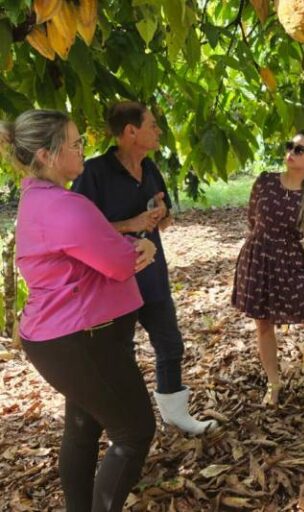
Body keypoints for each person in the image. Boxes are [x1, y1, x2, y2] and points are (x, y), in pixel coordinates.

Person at [2, 109, 157, 511]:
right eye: (74, 144)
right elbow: (118, 262)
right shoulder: (65, 206)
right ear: (46, 156)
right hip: (81, 338)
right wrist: (142, 247)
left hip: (66, 337)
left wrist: (126, 248)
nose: (82, 150)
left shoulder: (39, 198)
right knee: (134, 430)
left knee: (83, 427)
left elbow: (92, 252)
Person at [72, 102, 217, 435]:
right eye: (152, 125)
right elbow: (80, 230)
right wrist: (129, 224)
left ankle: (175, 414)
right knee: (120, 354)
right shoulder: (95, 173)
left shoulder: (149, 167)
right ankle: (124, 427)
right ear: (130, 132)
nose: (159, 130)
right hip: (113, 281)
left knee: (169, 344)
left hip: (151, 275)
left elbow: (162, 218)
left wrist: (160, 213)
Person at [232, 130, 304, 405]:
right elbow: (253, 219)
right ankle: (273, 383)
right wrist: (263, 245)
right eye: (290, 146)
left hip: (290, 264)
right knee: (263, 324)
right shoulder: (265, 181)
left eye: (300, 150)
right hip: (257, 258)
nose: (292, 153)